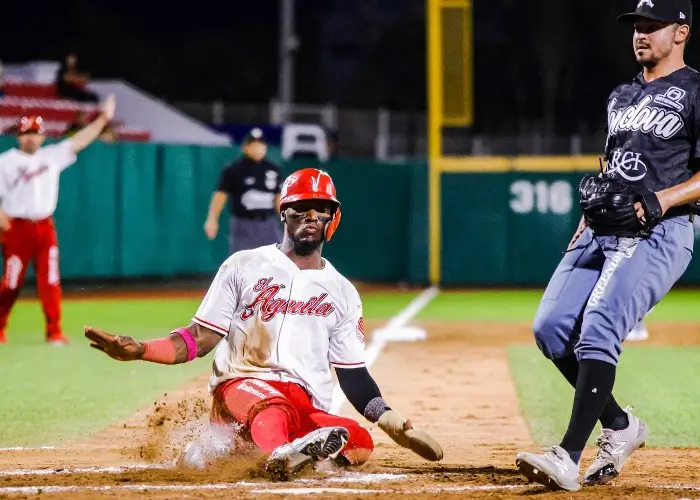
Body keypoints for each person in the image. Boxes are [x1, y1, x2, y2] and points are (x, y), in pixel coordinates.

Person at [84, 168, 443, 480]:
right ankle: (281, 457)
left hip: (302, 404)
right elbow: (200, 339)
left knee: (358, 440)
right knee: (273, 409)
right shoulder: (243, 265)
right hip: (242, 389)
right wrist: (140, 350)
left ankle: (272, 456)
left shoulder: (343, 293)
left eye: (322, 209)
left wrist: (393, 422)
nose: (311, 216)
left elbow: (353, 375)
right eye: (301, 208)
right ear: (284, 213)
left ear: (334, 218)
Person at [515, 0, 700, 491]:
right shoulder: (620, 96)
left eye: (652, 26)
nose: (640, 34)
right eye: (637, 25)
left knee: (598, 328)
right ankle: (620, 425)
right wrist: (582, 222)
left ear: (681, 32)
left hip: (660, 230)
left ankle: (568, 456)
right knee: (550, 329)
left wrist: (662, 199)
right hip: (599, 230)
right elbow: (611, 168)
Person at [0, 95, 117, 344]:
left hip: (44, 226)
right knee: (11, 282)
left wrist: (103, 119)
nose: (30, 137)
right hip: (16, 227)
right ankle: (0, 327)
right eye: (26, 133)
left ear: (42, 136)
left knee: (50, 281)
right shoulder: (6, 161)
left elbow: (79, 141)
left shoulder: (51, 156)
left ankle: (54, 332)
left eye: (35, 132)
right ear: (18, 136)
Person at [204, 128, 283, 254]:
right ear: (245, 147)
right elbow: (220, 195)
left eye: (261, 144)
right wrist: (212, 218)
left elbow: (279, 198)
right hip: (244, 224)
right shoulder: (234, 169)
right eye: (254, 144)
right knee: (242, 263)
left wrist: (288, 221)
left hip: (268, 223)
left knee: (278, 260)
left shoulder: (273, 169)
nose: (258, 148)